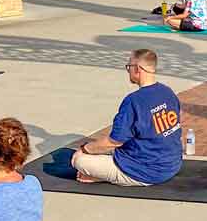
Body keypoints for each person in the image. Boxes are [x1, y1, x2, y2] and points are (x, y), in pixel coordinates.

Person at [70, 49, 183, 187]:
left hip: (146, 171)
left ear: (137, 69)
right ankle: (105, 173)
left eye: (129, 67)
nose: (128, 71)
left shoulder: (134, 101)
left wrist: (84, 149)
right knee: (100, 148)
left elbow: (114, 142)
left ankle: (105, 177)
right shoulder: (168, 92)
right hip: (172, 163)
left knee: (80, 161)